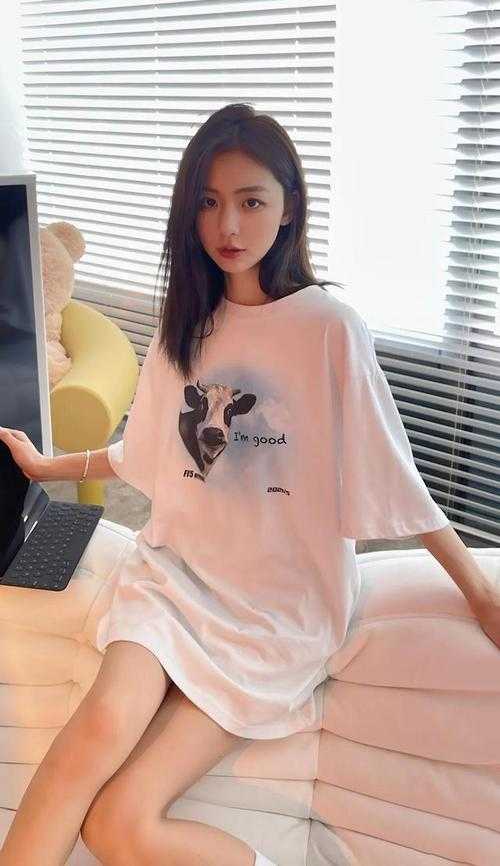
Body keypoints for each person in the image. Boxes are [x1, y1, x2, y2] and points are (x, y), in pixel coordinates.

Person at [0, 102, 499, 866]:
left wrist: (480, 591)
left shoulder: (328, 328)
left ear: (289, 207)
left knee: (119, 825)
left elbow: (392, 477)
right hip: (175, 579)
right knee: (99, 727)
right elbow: (148, 453)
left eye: (250, 201)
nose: (227, 225)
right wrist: (47, 467)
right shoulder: (185, 323)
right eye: (208, 202)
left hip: (277, 611)